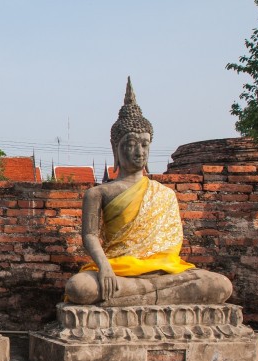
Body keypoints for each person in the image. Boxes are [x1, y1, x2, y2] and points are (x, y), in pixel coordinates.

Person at [65, 78, 232, 306]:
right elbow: (90, 235)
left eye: (144, 144)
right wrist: (104, 267)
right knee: (80, 288)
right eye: (131, 143)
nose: (139, 151)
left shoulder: (163, 194)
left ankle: (141, 295)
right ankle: (150, 296)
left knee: (220, 285)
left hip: (163, 272)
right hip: (117, 270)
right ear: (116, 147)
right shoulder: (98, 193)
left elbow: (171, 250)